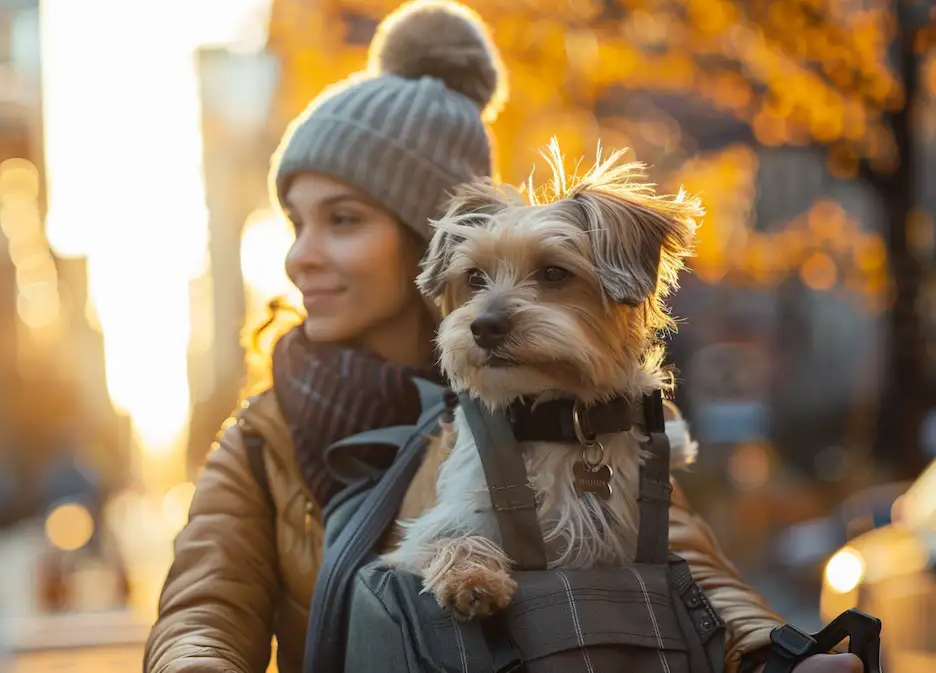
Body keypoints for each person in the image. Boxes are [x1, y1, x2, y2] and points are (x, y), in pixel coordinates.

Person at [143, 2, 862, 673]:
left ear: (426, 235)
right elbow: (203, 612)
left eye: (343, 220)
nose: (301, 255)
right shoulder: (264, 437)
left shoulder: (586, 412)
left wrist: (780, 654)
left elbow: (691, 571)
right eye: (297, 224)